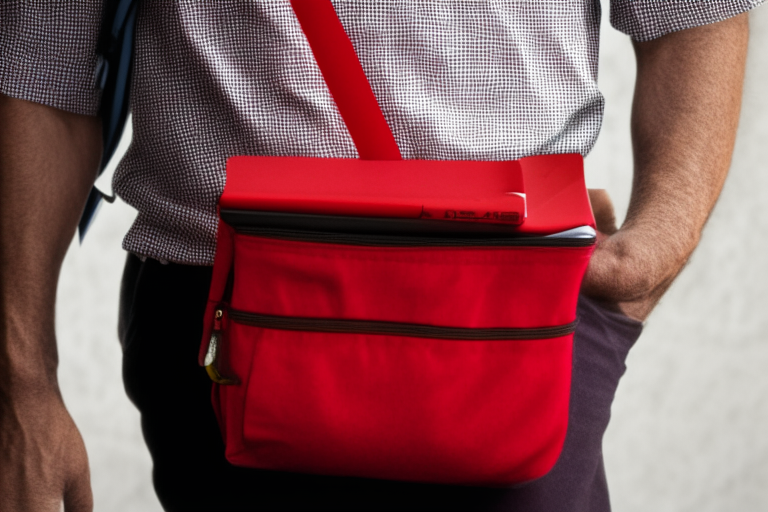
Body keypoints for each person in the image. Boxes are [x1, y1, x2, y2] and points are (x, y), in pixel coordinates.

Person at [0, 1, 761, 511]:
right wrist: (22, 384)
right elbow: (41, 63)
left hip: (516, 315)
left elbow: (692, 14)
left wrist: (646, 261)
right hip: (232, 324)